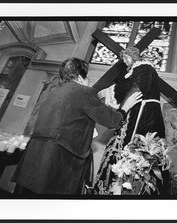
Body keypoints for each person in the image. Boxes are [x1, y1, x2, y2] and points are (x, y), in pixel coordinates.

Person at [11, 57, 142, 195]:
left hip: (34, 156)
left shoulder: (54, 93)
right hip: (58, 159)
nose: (88, 82)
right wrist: (125, 107)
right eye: (87, 78)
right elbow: (111, 120)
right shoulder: (84, 92)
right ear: (80, 77)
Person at [93, 46, 168, 195]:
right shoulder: (133, 72)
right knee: (120, 152)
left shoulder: (145, 68)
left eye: (126, 58)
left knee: (136, 155)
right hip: (134, 112)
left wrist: (109, 91)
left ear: (134, 57)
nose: (125, 62)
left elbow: (135, 88)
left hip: (144, 116)